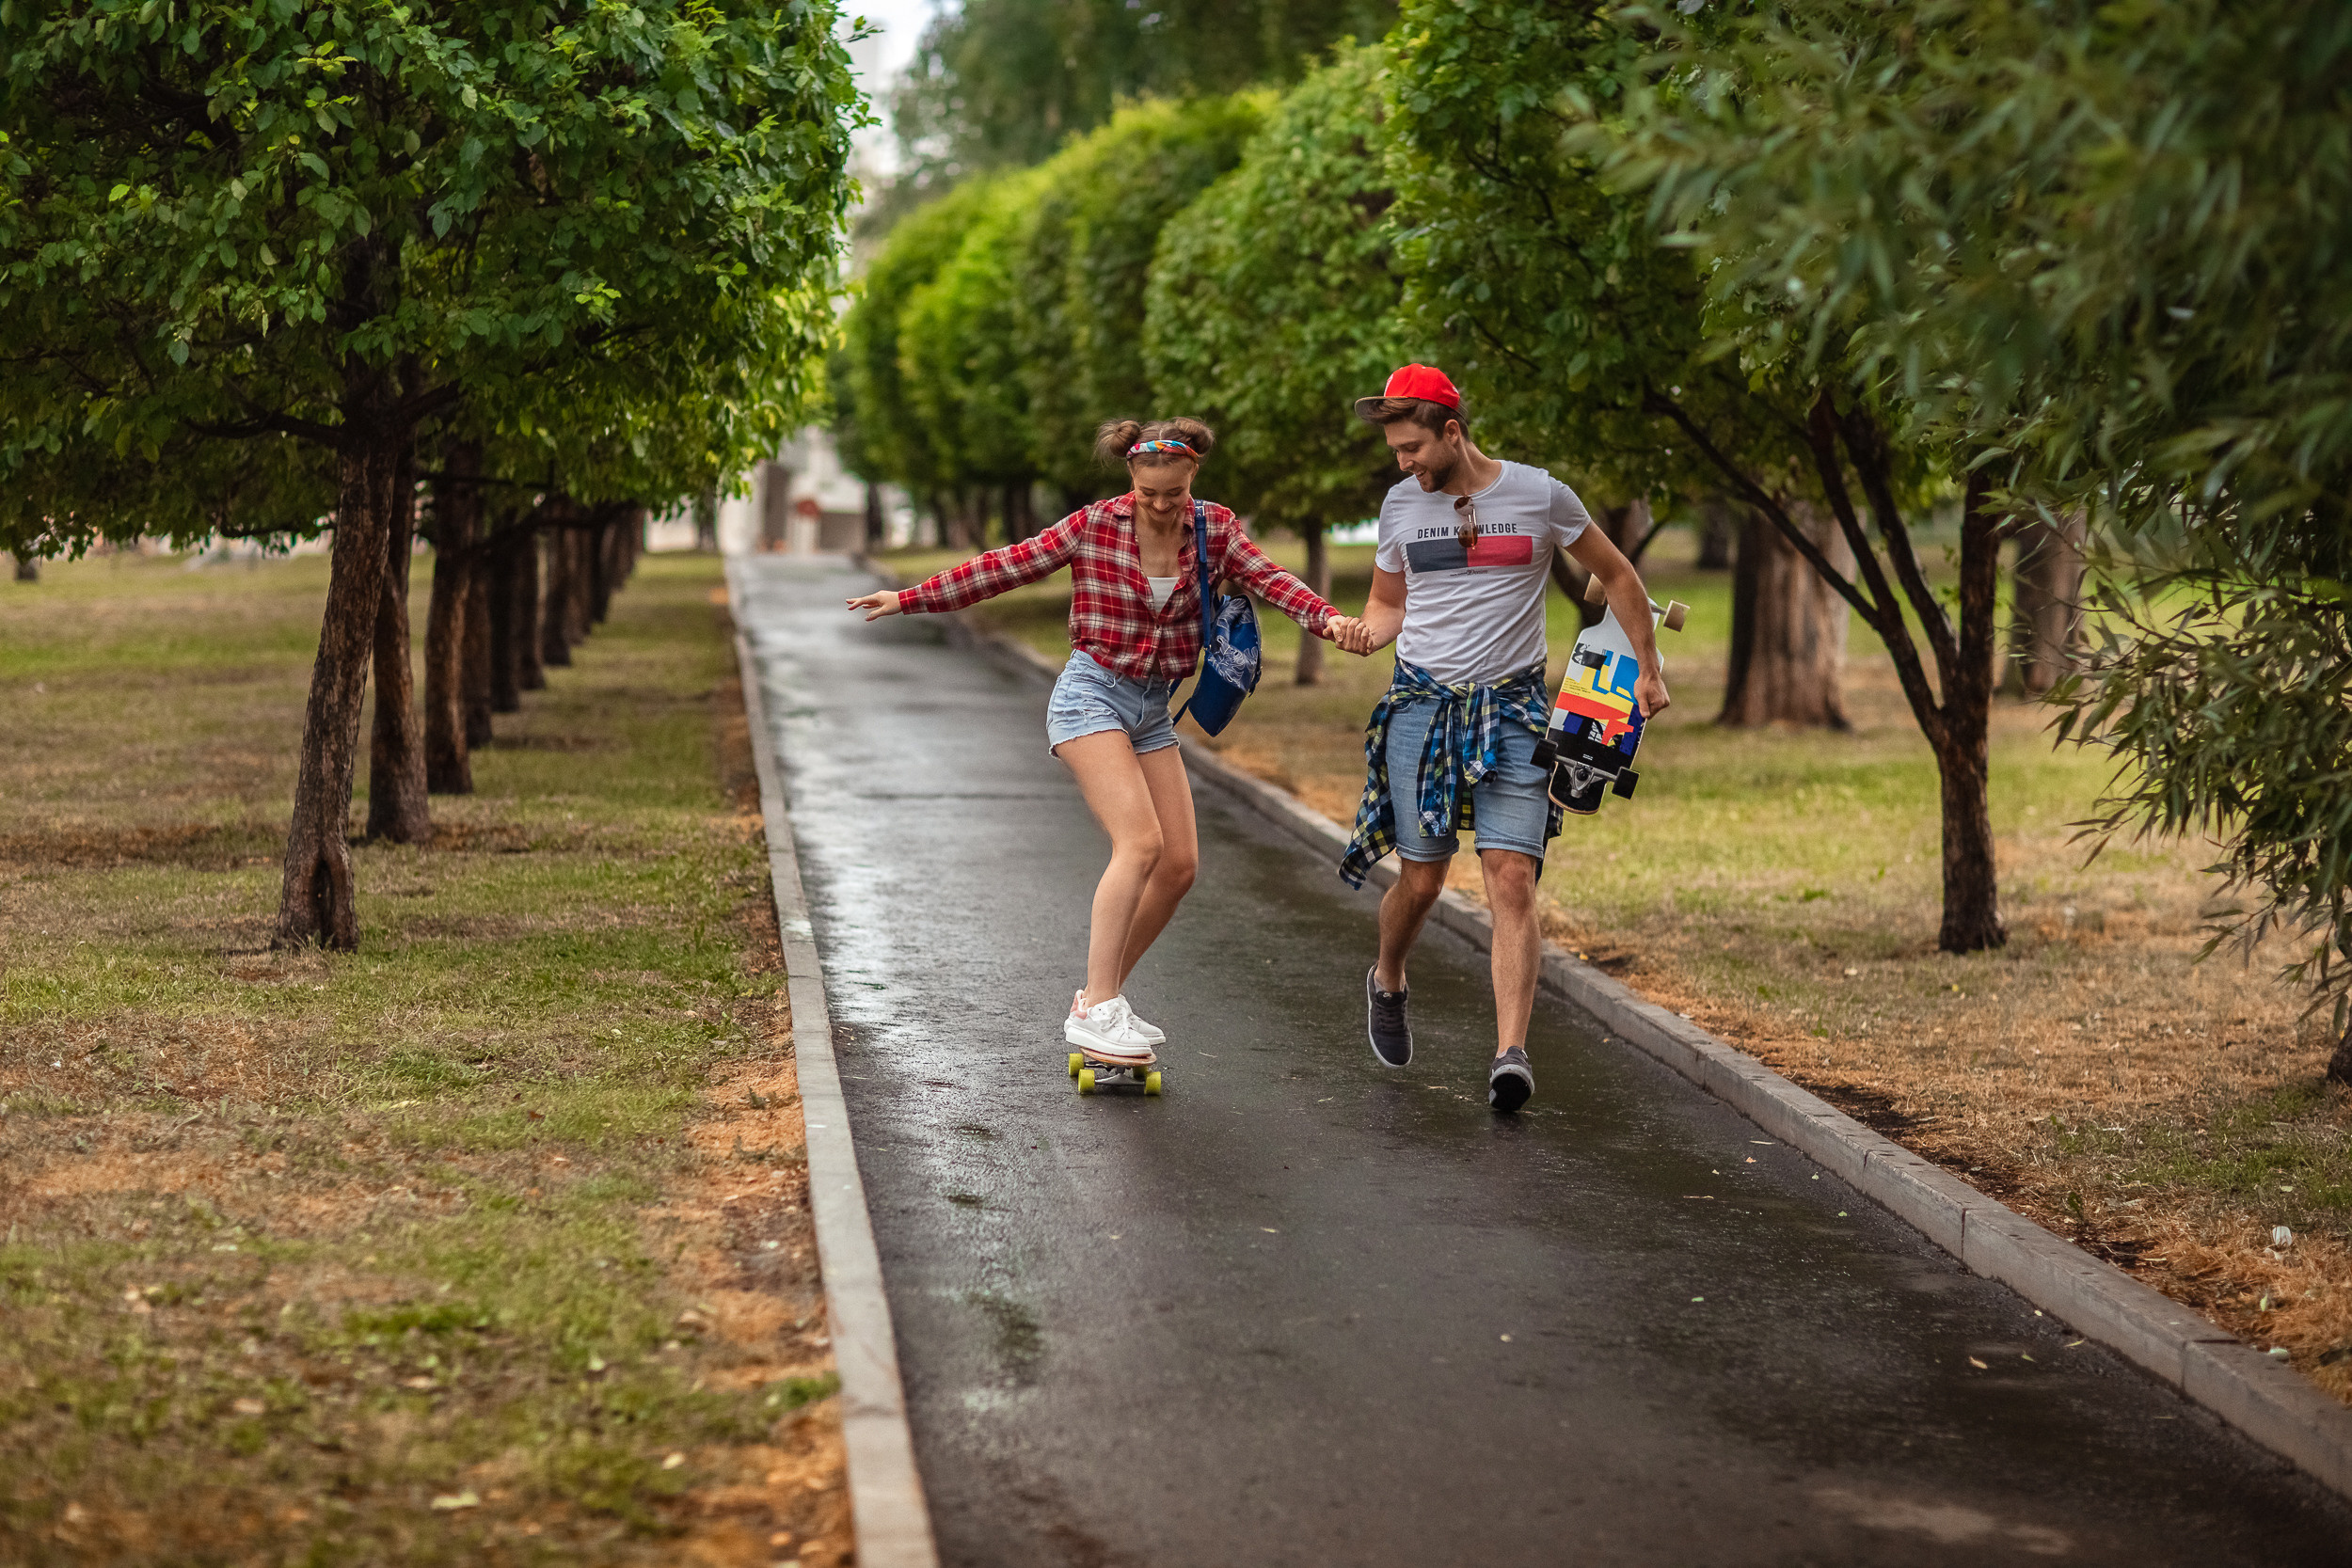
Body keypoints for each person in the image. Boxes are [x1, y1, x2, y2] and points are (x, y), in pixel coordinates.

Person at [848, 417, 1363, 1063]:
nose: (1159, 504)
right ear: (1131, 476)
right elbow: (1005, 566)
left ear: (1191, 477)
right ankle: (1096, 1005)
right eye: (1147, 492)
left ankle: (1101, 997)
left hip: (1151, 709)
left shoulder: (1216, 528)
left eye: (1172, 494)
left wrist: (1330, 619)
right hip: (1091, 693)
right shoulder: (1095, 525)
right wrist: (909, 596)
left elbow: (1271, 579)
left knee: (1178, 866)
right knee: (1140, 841)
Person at [1329, 365, 1670, 1112]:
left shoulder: (1541, 494)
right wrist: (1363, 633)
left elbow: (1616, 574)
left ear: (1452, 431)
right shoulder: (1399, 506)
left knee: (1512, 875)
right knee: (1421, 877)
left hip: (1513, 710)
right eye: (1395, 452)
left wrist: (1645, 668)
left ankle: (1509, 1054)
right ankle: (1387, 976)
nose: (1404, 463)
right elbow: (1388, 605)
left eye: (1413, 448)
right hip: (1421, 704)